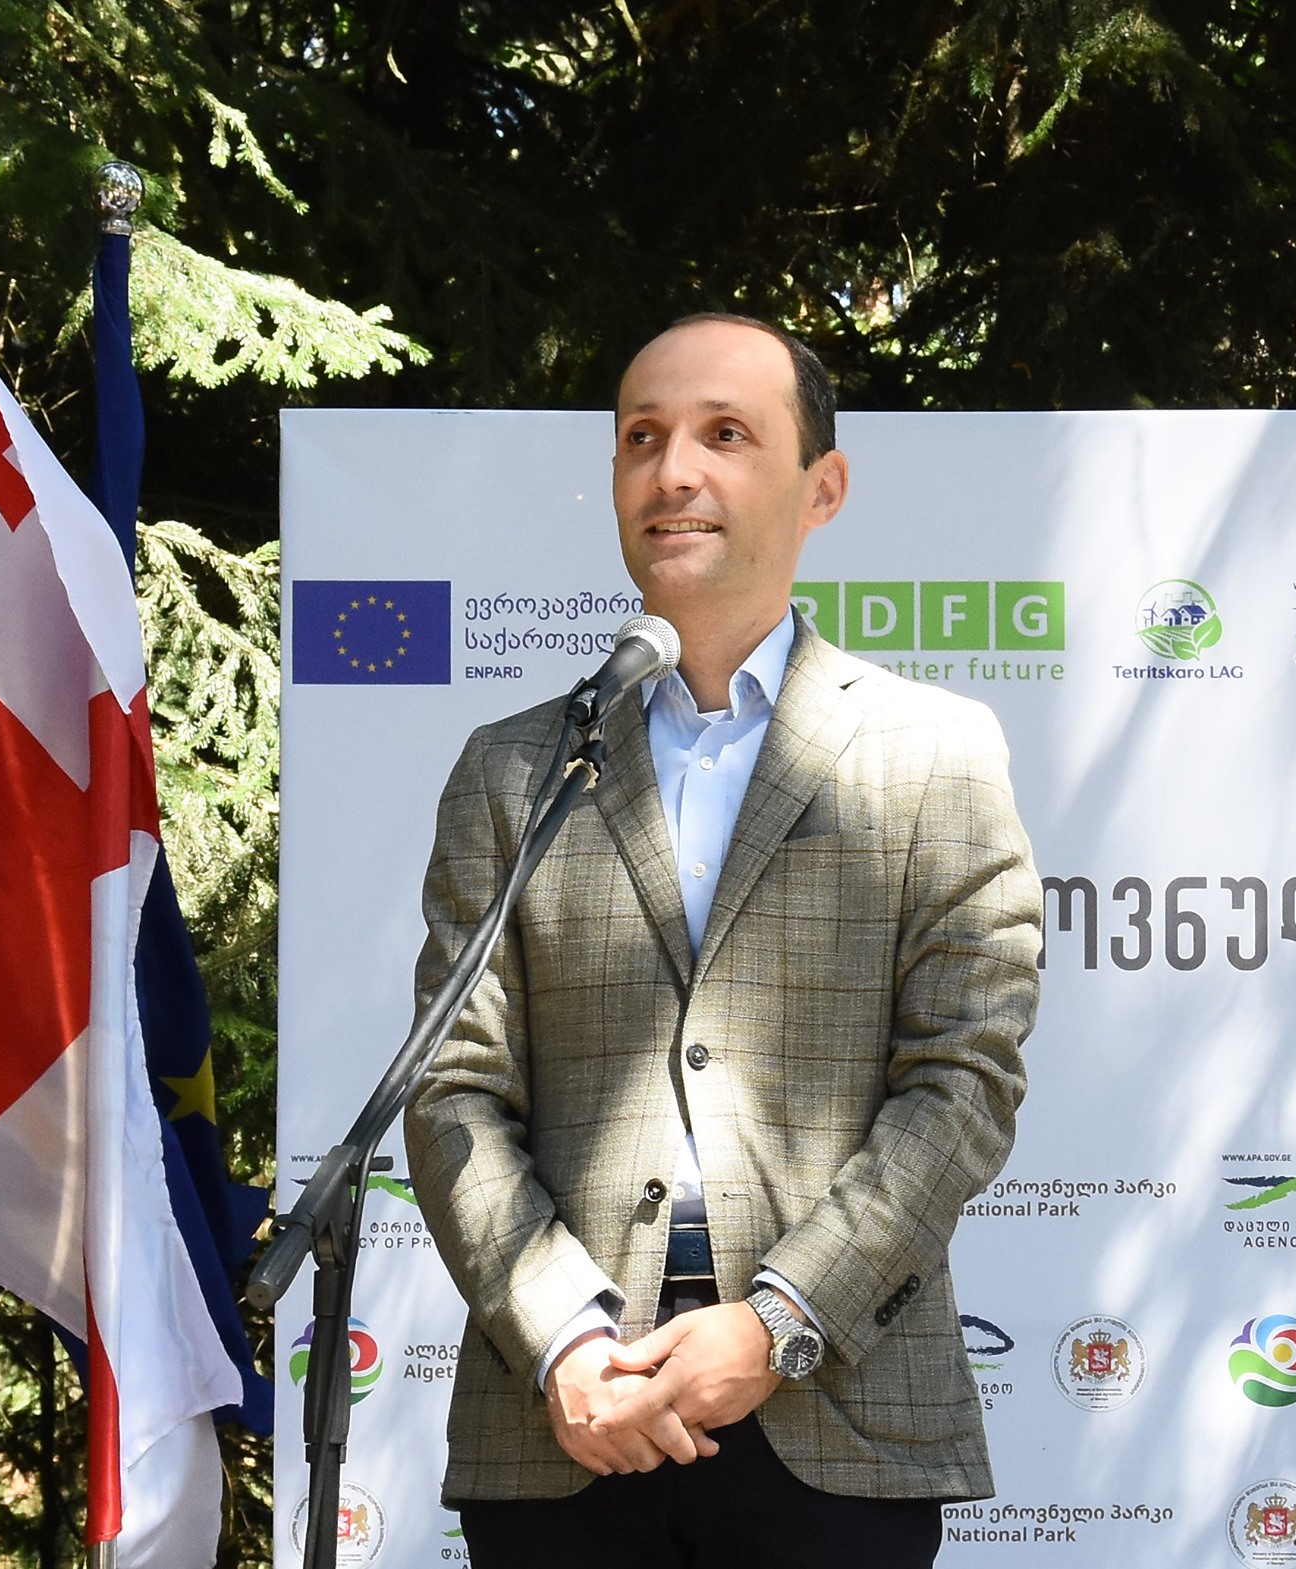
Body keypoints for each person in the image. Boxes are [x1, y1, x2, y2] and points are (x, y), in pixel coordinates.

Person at [404, 313, 1043, 1568]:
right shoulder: (512, 769)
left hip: (835, 1413)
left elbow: (962, 1082)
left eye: (726, 434)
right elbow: (451, 1085)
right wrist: (562, 1338)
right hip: (566, 1421)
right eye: (642, 438)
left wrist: (779, 1322)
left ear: (821, 488)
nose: (673, 471)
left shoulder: (935, 754)